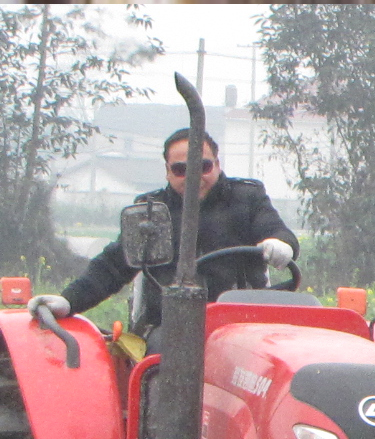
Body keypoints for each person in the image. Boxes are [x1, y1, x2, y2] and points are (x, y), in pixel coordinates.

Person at [30, 129, 297, 334]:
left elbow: (276, 231)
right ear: (168, 172)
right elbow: (113, 266)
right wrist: (68, 301)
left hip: (240, 325)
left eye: (203, 166)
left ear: (217, 164)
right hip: (169, 328)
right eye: (181, 170)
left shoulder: (247, 199)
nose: (193, 177)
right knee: (162, 352)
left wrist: (279, 243)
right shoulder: (152, 213)